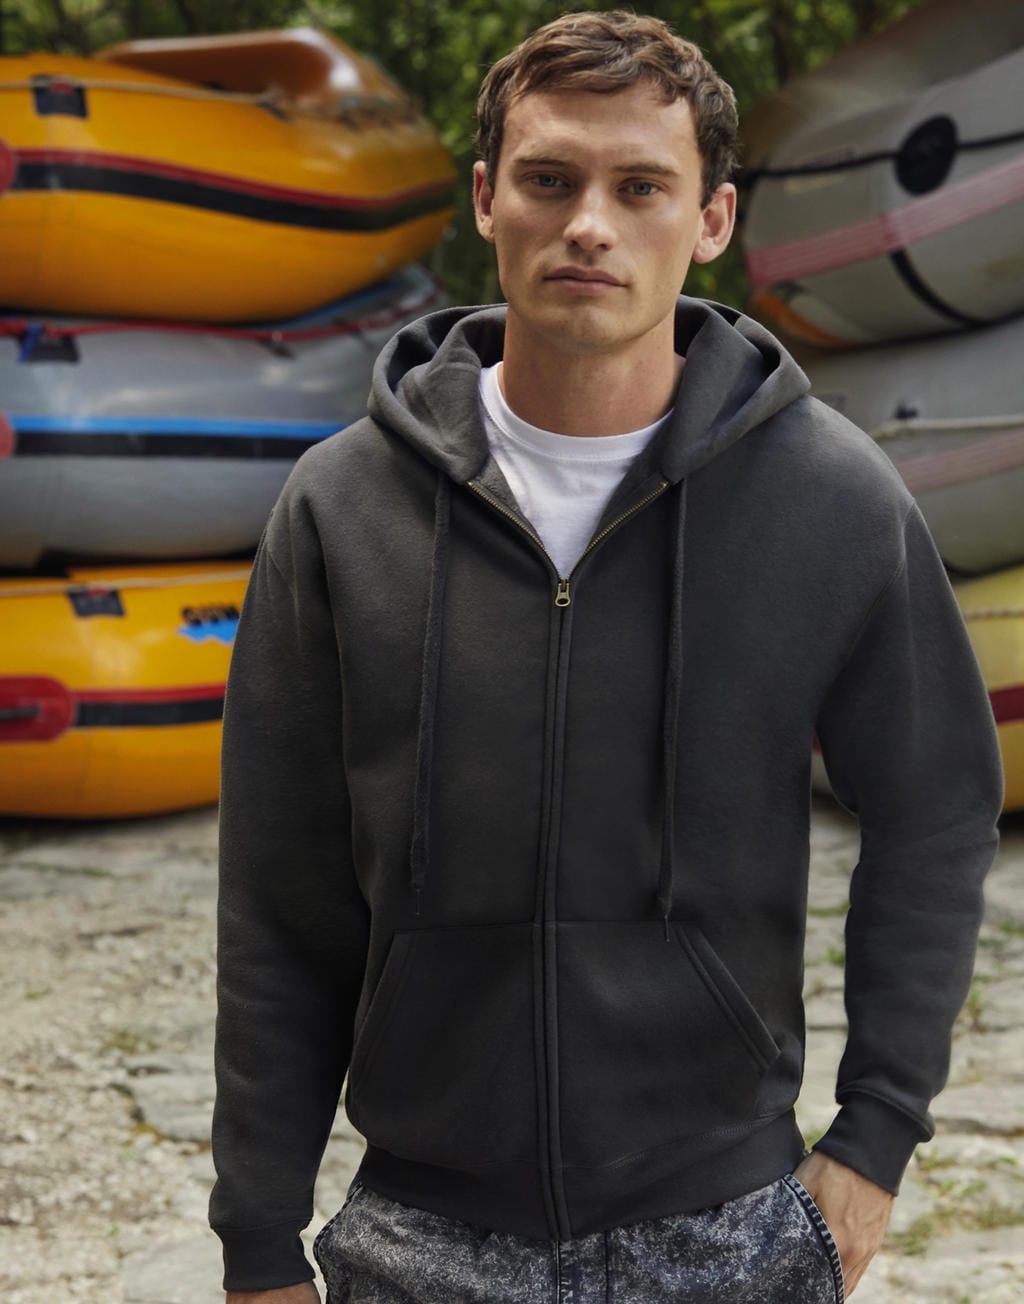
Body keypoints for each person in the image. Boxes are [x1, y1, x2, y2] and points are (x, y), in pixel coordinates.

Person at [209, 11, 1003, 1303]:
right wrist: (257, 1237)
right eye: (550, 179)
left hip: (728, 1229)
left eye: (641, 187)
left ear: (712, 220)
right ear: (487, 199)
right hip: (419, 1235)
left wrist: (875, 1137)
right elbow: (277, 892)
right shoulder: (340, 508)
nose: (589, 224)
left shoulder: (830, 498)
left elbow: (938, 807)